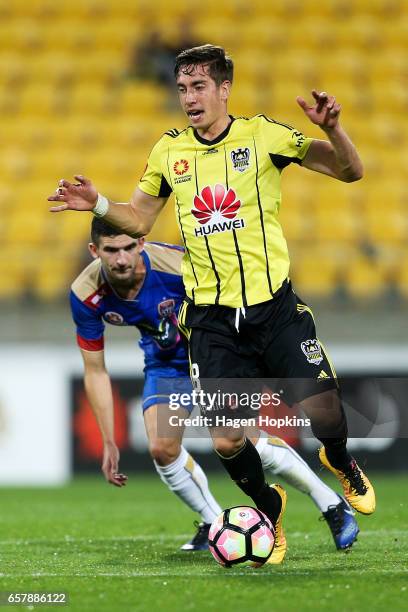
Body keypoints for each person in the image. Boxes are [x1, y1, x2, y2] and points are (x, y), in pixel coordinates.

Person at [49, 44, 375, 564]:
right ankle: (269, 509)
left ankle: (340, 460)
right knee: (227, 441)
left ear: (225, 88)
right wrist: (100, 205)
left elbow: (349, 171)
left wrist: (334, 129)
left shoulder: (264, 135)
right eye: (182, 88)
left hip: (274, 309)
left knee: (326, 412)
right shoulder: (169, 151)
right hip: (212, 320)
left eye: (199, 87)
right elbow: (138, 220)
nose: (189, 98)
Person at [70, 218, 358, 558]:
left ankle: (330, 503)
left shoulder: (178, 266)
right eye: (111, 250)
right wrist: (108, 441)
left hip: (215, 355)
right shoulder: (85, 293)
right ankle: (213, 522)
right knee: (162, 448)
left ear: (142, 243)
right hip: (167, 365)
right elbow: (95, 371)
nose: (121, 259)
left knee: (241, 440)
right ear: (95, 251)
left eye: (128, 248)